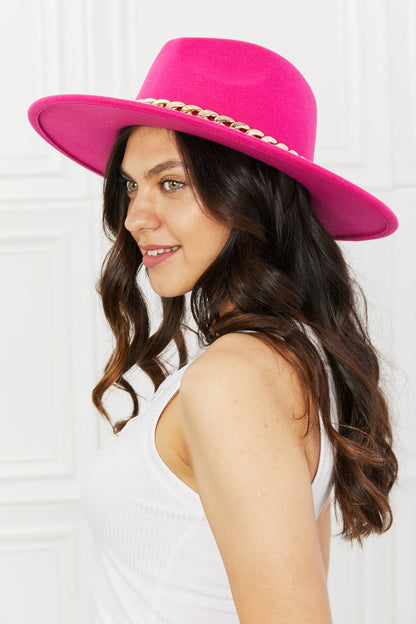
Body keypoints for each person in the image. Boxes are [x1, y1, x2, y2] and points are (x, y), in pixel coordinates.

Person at [28, 37, 398, 624]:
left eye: (169, 182)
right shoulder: (285, 358)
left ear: (250, 190)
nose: (134, 217)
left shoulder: (235, 378)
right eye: (130, 185)